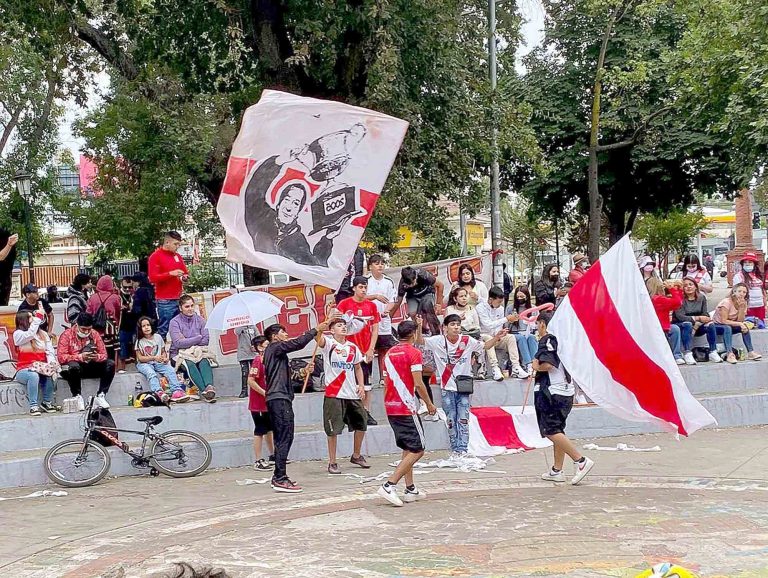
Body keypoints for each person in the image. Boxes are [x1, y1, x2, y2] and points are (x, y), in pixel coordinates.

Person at [263, 316, 337, 493]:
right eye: (283, 332)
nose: (286, 334)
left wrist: (304, 372)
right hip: (278, 398)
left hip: (281, 397)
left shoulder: (278, 354)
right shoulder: (275, 347)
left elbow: (290, 377)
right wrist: (314, 330)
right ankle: (279, 477)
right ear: (274, 336)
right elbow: (298, 343)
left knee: (285, 436)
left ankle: (280, 476)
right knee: (284, 437)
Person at [419, 314, 506, 458]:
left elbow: (484, 346)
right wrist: (418, 325)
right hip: (447, 388)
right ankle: (455, 449)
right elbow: (420, 341)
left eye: (458, 325)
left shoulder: (467, 340)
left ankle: (463, 449)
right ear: (445, 327)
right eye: (452, 324)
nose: (456, 327)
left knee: (463, 419)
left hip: (463, 387)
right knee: (451, 420)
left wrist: (497, 337)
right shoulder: (437, 341)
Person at [377, 320, 437, 507]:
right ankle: (389, 484)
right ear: (412, 333)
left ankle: (410, 488)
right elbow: (418, 383)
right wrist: (429, 404)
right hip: (406, 407)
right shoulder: (414, 353)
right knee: (418, 449)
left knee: (408, 447)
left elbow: (386, 382)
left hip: (391, 405)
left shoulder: (389, 354)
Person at [533, 310, 595, 485]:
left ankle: (580, 460)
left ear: (543, 324)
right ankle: (557, 470)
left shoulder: (548, 339)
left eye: (538, 324)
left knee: (550, 430)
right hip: (566, 391)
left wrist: (535, 364)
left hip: (552, 391)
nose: (537, 328)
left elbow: (547, 364)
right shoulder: (566, 340)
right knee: (558, 430)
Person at [316, 317, 370, 474]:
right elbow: (318, 339)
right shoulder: (329, 343)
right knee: (333, 430)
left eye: (344, 325)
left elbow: (358, 367)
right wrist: (320, 328)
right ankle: (332, 462)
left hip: (352, 393)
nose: (343, 327)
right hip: (334, 393)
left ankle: (356, 455)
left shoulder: (352, 347)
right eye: (339, 325)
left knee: (362, 423)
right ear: (332, 330)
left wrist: (361, 385)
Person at [336, 276, 380, 424]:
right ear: (354, 288)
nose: (363, 290)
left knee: (366, 384)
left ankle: (366, 412)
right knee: (349, 382)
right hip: (348, 350)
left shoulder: (371, 306)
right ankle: (349, 414)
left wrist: (371, 349)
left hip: (365, 350)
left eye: (365, 287)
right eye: (360, 287)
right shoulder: (344, 304)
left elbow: (375, 330)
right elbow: (336, 323)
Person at [57, 312, 115, 409]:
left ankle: (101, 395)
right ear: (77, 325)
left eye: (88, 329)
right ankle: (77, 396)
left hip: (91, 365)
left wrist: (95, 357)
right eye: (83, 329)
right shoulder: (66, 335)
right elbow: (61, 357)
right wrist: (80, 357)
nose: (86, 332)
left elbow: (104, 355)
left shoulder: (94, 334)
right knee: (73, 367)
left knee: (110, 364)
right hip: (73, 368)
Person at [169, 294, 216, 402]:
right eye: (187, 306)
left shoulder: (200, 320)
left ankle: (209, 387)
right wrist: (198, 337)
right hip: (179, 354)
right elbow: (178, 343)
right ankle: (205, 392)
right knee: (189, 363)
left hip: (198, 352)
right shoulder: (174, 322)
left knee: (204, 361)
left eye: (191, 306)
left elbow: (206, 341)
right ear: (181, 308)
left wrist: (187, 340)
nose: (190, 309)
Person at [476, 286, 529, 380]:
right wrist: (507, 319)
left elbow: (498, 326)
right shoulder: (480, 308)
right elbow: (488, 325)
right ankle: (495, 368)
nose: (500, 304)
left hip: (497, 336)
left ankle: (516, 367)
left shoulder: (500, 309)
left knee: (511, 337)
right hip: (484, 338)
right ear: (491, 299)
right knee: (488, 338)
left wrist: (501, 332)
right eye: (498, 301)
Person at [13, 308, 58, 416]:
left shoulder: (43, 334)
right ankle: (33, 406)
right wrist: (38, 318)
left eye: (33, 317)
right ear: (22, 320)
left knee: (51, 373)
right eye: (30, 317)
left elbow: (49, 351)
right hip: (24, 369)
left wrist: (51, 363)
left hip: (41, 367)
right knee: (33, 376)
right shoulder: (18, 334)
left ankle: (47, 402)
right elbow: (30, 334)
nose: (33, 319)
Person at [135, 316, 190, 403]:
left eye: (148, 325)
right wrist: (153, 358)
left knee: (170, 370)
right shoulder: (139, 341)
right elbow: (140, 358)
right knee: (151, 373)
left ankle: (176, 391)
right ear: (140, 329)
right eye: (143, 326)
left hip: (158, 362)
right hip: (144, 363)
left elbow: (163, 351)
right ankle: (158, 392)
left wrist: (164, 358)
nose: (146, 328)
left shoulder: (158, 337)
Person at [365, 254, 399, 385]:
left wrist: (387, 310)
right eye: (376, 263)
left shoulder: (388, 281)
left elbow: (392, 300)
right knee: (369, 348)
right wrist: (375, 296)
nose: (380, 266)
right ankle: (368, 377)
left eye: (382, 263)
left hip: (383, 320)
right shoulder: (366, 280)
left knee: (384, 349)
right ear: (370, 266)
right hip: (369, 320)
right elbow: (360, 297)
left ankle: (383, 377)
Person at [672, 278, 723, 364]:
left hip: (697, 325)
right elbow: (680, 316)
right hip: (682, 325)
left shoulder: (701, 297)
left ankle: (712, 351)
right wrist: (697, 318)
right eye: (685, 285)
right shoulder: (680, 299)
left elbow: (705, 314)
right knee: (687, 324)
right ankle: (687, 353)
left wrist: (696, 325)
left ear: (695, 286)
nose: (688, 287)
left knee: (710, 325)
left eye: (690, 284)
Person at [148, 231, 188, 339]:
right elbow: (152, 278)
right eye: (175, 244)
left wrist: (184, 278)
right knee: (164, 329)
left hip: (178, 297)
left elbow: (185, 272)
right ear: (167, 242)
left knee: (181, 328)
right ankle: (161, 352)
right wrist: (170, 274)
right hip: (164, 300)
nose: (178, 247)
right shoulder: (155, 257)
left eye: (179, 244)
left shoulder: (177, 256)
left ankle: (179, 351)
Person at [713, 283, 763, 363]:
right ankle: (729, 354)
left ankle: (751, 352)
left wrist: (741, 309)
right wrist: (740, 324)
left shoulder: (743, 302)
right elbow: (723, 321)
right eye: (739, 291)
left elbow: (740, 320)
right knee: (727, 327)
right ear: (734, 292)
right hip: (717, 326)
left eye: (744, 292)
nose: (742, 294)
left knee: (745, 327)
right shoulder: (726, 302)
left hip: (731, 325)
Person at [247, 336, 274, 471]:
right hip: (258, 403)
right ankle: (258, 460)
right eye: (266, 344)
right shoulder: (257, 361)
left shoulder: (268, 360)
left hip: (267, 402)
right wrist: (264, 392)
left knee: (269, 428)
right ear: (259, 347)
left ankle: (273, 454)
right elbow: (251, 381)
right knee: (260, 430)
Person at [646, 277, 684, 364]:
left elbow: (677, 305)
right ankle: (676, 355)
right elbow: (677, 303)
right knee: (674, 330)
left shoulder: (653, 299)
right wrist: (672, 289)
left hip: (658, 327)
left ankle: (676, 355)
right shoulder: (658, 299)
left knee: (675, 329)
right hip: (661, 328)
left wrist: (679, 290)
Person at [86, 274, 121, 356]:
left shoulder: (92, 298)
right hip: (110, 330)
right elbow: (118, 313)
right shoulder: (115, 297)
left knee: (97, 352)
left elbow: (88, 313)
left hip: (96, 329)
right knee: (110, 353)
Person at [505, 286, 538, 373]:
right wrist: (511, 320)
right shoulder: (510, 308)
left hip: (529, 331)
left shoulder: (533, 308)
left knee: (531, 338)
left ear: (527, 296)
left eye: (522, 297)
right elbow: (506, 325)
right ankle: (528, 364)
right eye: (518, 297)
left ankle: (535, 363)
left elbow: (537, 324)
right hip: (515, 332)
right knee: (521, 338)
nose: (519, 299)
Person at [732, 252, 767, 320]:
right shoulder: (739, 276)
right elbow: (735, 293)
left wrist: (765, 305)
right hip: (747, 307)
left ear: (754, 264)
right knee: (749, 326)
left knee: (760, 326)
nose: (747, 264)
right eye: (745, 262)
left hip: (760, 306)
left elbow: (763, 291)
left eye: (750, 262)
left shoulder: (758, 275)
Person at [117, 276, 136, 373]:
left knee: (134, 345)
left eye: (130, 287)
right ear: (121, 285)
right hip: (122, 325)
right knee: (122, 344)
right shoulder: (117, 295)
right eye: (125, 287)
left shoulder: (135, 295)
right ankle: (121, 367)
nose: (128, 289)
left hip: (133, 324)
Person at [235, 325, 259, 398]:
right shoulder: (239, 327)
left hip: (253, 354)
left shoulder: (253, 327)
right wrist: (243, 326)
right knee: (245, 373)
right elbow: (237, 332)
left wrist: (255, 345)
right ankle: (244, 390)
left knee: (254, 372)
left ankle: (256, 390)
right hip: (243, 354)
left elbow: (258, 337)